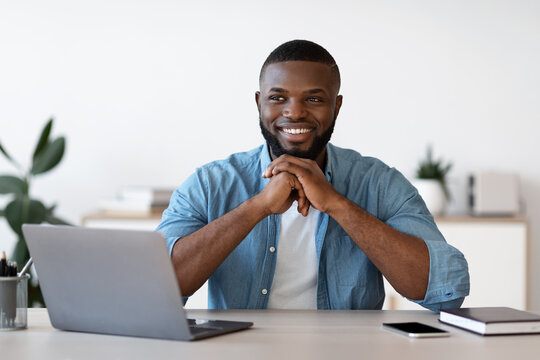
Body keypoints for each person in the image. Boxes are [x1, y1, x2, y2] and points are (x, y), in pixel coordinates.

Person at [157, 40, 469, 312]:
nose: (294, 112)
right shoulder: (210, 184)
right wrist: (259, 207)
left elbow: (445, 291)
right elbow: (158, 287)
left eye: (314, 99)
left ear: (337, 106)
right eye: (278, 97)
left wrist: (336, 204)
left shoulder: (379, 182)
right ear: (259, 102)